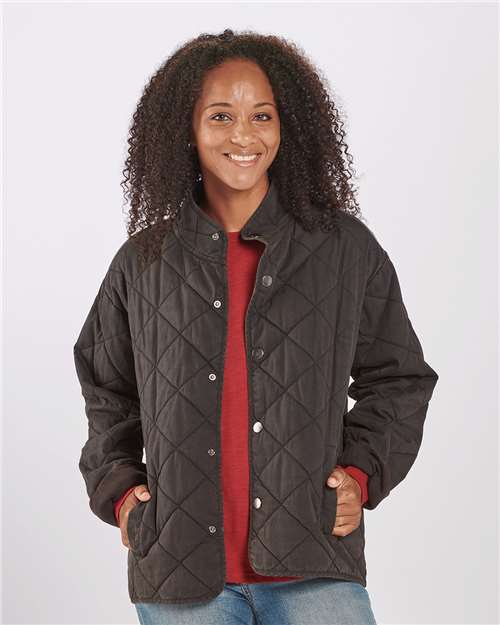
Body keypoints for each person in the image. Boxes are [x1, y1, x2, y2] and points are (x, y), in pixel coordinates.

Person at [73, 28, 439, 625]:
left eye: (262, 116)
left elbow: (399, 379)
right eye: (221, 116)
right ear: (186, 130)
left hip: (314, 560)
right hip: (179, 574)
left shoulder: (344, 250)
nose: (243, 136)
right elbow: (106, 391)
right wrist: (121, 495)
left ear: (287, 126)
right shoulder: (142, 263)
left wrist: (360, 474)